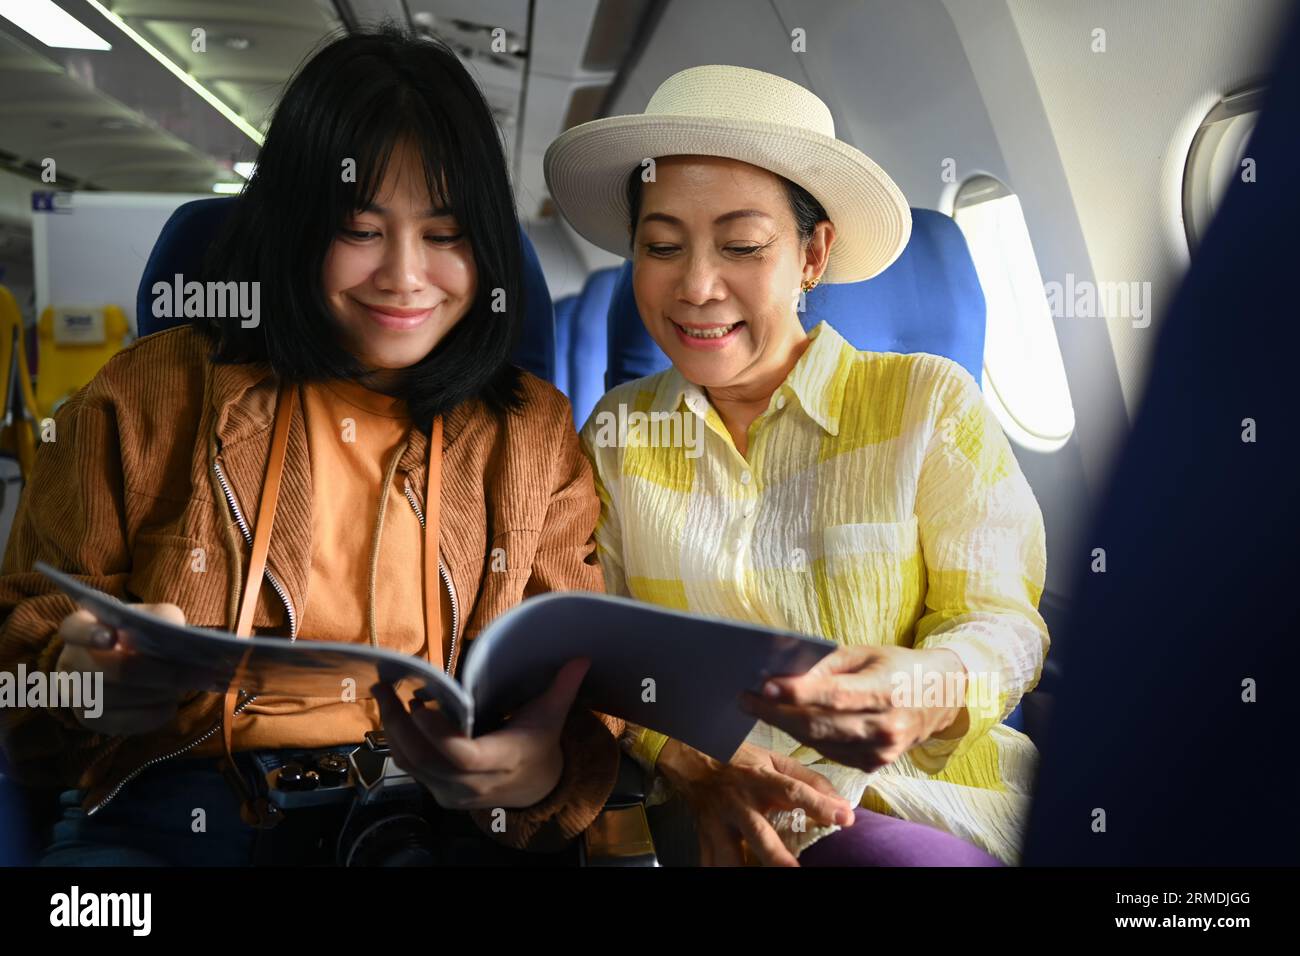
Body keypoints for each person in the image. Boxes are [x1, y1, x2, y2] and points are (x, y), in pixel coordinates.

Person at [0, 27, 619, 866]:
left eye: (444, 235)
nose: (404, 275)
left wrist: (537, 772)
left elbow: (581, 700)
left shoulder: (534, 436)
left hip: (432, 815)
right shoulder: (146, 396)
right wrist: (80, 681)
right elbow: (20, 657)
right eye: (360, 230)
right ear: (294, 227)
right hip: (178, 805)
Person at [546, 65, 1048, 866]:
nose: (697, 286)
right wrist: (689, 756)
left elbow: (1005, 624)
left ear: (813, 254)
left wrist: (932, 683)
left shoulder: (927, 403)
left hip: (929, 805)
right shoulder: (615, 433)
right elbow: (601, 650)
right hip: (718, 808)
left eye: (742, 245)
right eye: (662, 246)